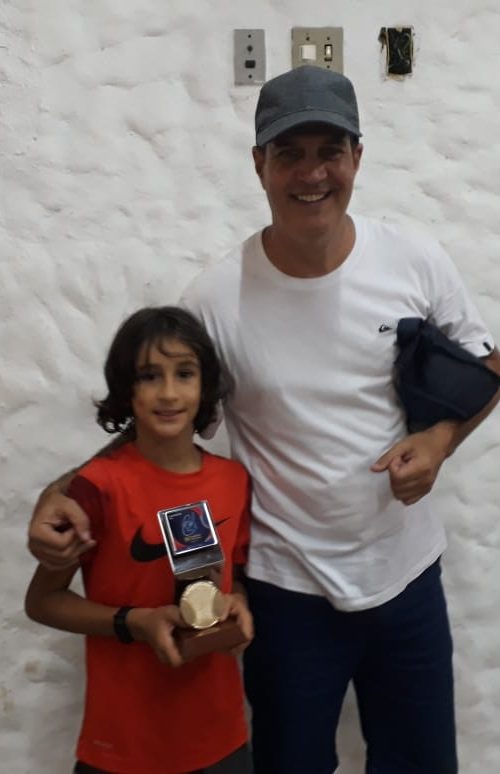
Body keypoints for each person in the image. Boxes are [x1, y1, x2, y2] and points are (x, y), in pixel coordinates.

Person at [28, 66, 500, 774]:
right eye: (289, 154)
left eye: (329, 152)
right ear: (259, 165)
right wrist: (61, 494)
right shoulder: (217, 297)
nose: (311, 174)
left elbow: (487, 365)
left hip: (405, 578)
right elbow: (159, 424)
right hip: (285, 593)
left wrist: (439, 440)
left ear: (357, 157)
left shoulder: (413, 260)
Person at [25, 306, 254, 774]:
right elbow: (42, 602)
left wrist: (238, 607)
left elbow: (236, 579)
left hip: (220, 739)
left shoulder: (233, 481)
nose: (168, 393)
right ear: (127, 388)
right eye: (149, 376)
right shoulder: (95, 488)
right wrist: (135, 622)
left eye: (184, 374)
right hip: (123, 745)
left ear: (205, 385)